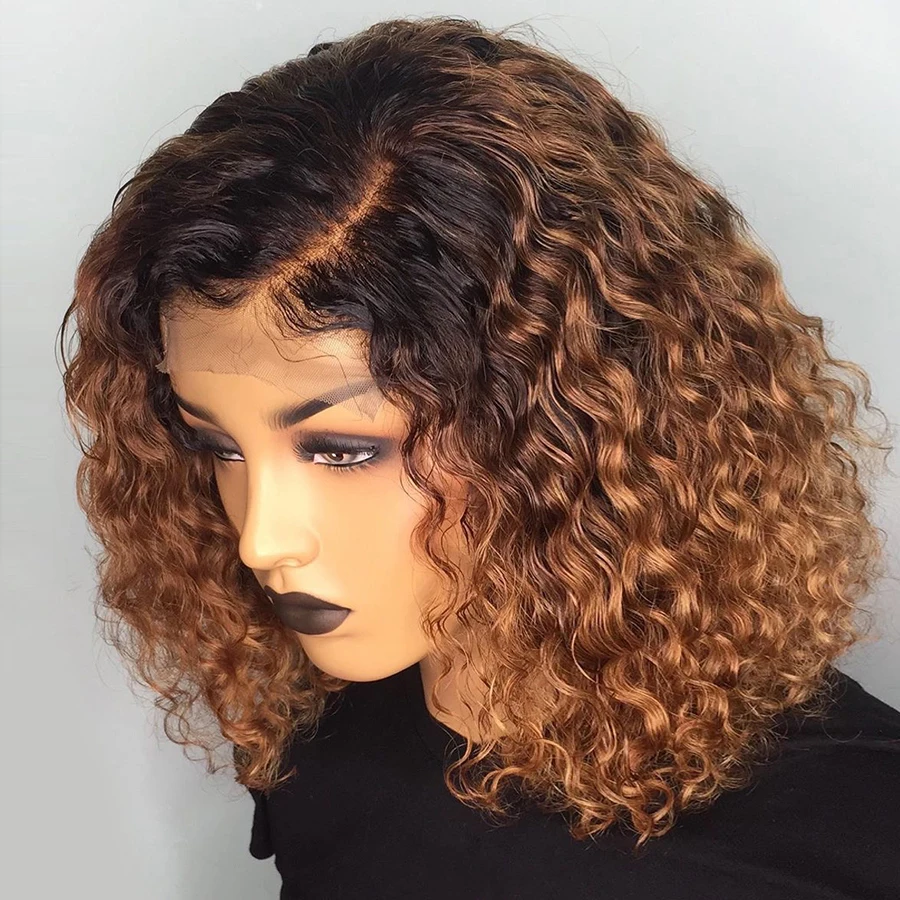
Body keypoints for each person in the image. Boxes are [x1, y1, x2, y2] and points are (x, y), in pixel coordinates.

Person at [58, 15, 900, 900]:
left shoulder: (850, 839)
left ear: (567, 426)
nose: (261, 540)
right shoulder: (317, 736)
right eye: (216, 443)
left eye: (342, 450)